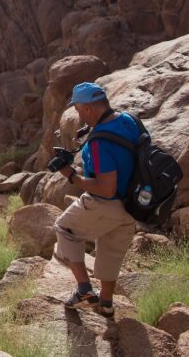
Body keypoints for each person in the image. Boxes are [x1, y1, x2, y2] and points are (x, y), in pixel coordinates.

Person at [50, 82, 139, 318]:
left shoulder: (100, 142)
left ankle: (84, 290)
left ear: (88, 108)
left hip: (107, 203)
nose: (78, 115)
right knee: (111, 250)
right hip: (134, 204)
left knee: (64, 228)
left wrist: (72, 175)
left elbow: (106, 188)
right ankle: (106, 304)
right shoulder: (129, 121)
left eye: (78, 110)